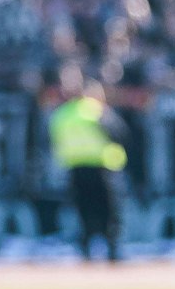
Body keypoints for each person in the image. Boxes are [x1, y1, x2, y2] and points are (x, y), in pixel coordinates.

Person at [49, 66, 127, 263]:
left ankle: (86, 252)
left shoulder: (60, 115)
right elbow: (120, 134)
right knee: (109, 213)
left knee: (84, 212)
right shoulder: (95, 110)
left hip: (75, 168)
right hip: (102, 167)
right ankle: (112, 252)